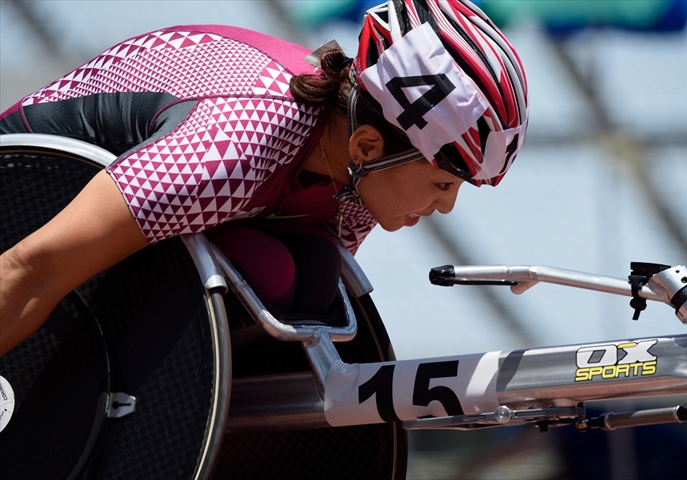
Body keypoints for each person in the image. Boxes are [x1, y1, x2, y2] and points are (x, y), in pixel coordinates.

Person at [0, 0, 528, 356]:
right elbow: (31, 267)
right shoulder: (237, 148)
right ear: (367, 146)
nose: (446, 208)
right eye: (443, 183)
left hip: (130, 218)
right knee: (277, 270)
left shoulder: (357, 171)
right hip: (24, 190)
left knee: (307, 274)